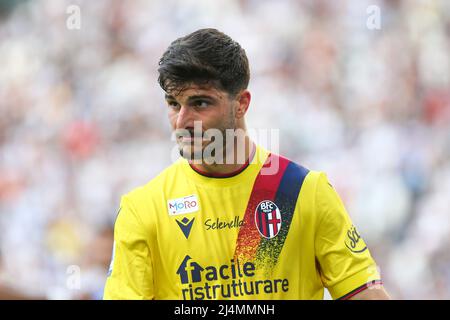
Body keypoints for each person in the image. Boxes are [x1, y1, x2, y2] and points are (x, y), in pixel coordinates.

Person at [103, 28, 390, 300]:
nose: (182, 121)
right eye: (173, 104)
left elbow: (367, 294)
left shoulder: (301, 192)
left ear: (241, 103)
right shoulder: (142, 210)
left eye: (200, 103)